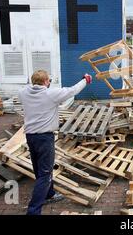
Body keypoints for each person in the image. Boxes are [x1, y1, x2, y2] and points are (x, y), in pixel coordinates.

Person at [18, 70, 92, 215]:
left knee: (41, 169)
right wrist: (85, 79)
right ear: (46, 81)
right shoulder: (50, 94)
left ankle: (49, 193)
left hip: (30, 137)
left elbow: (27, 90)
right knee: (45, 174)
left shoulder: (23, 93)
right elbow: (72, 90)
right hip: (44, 138)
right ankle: (33, 211)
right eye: (48, 81)